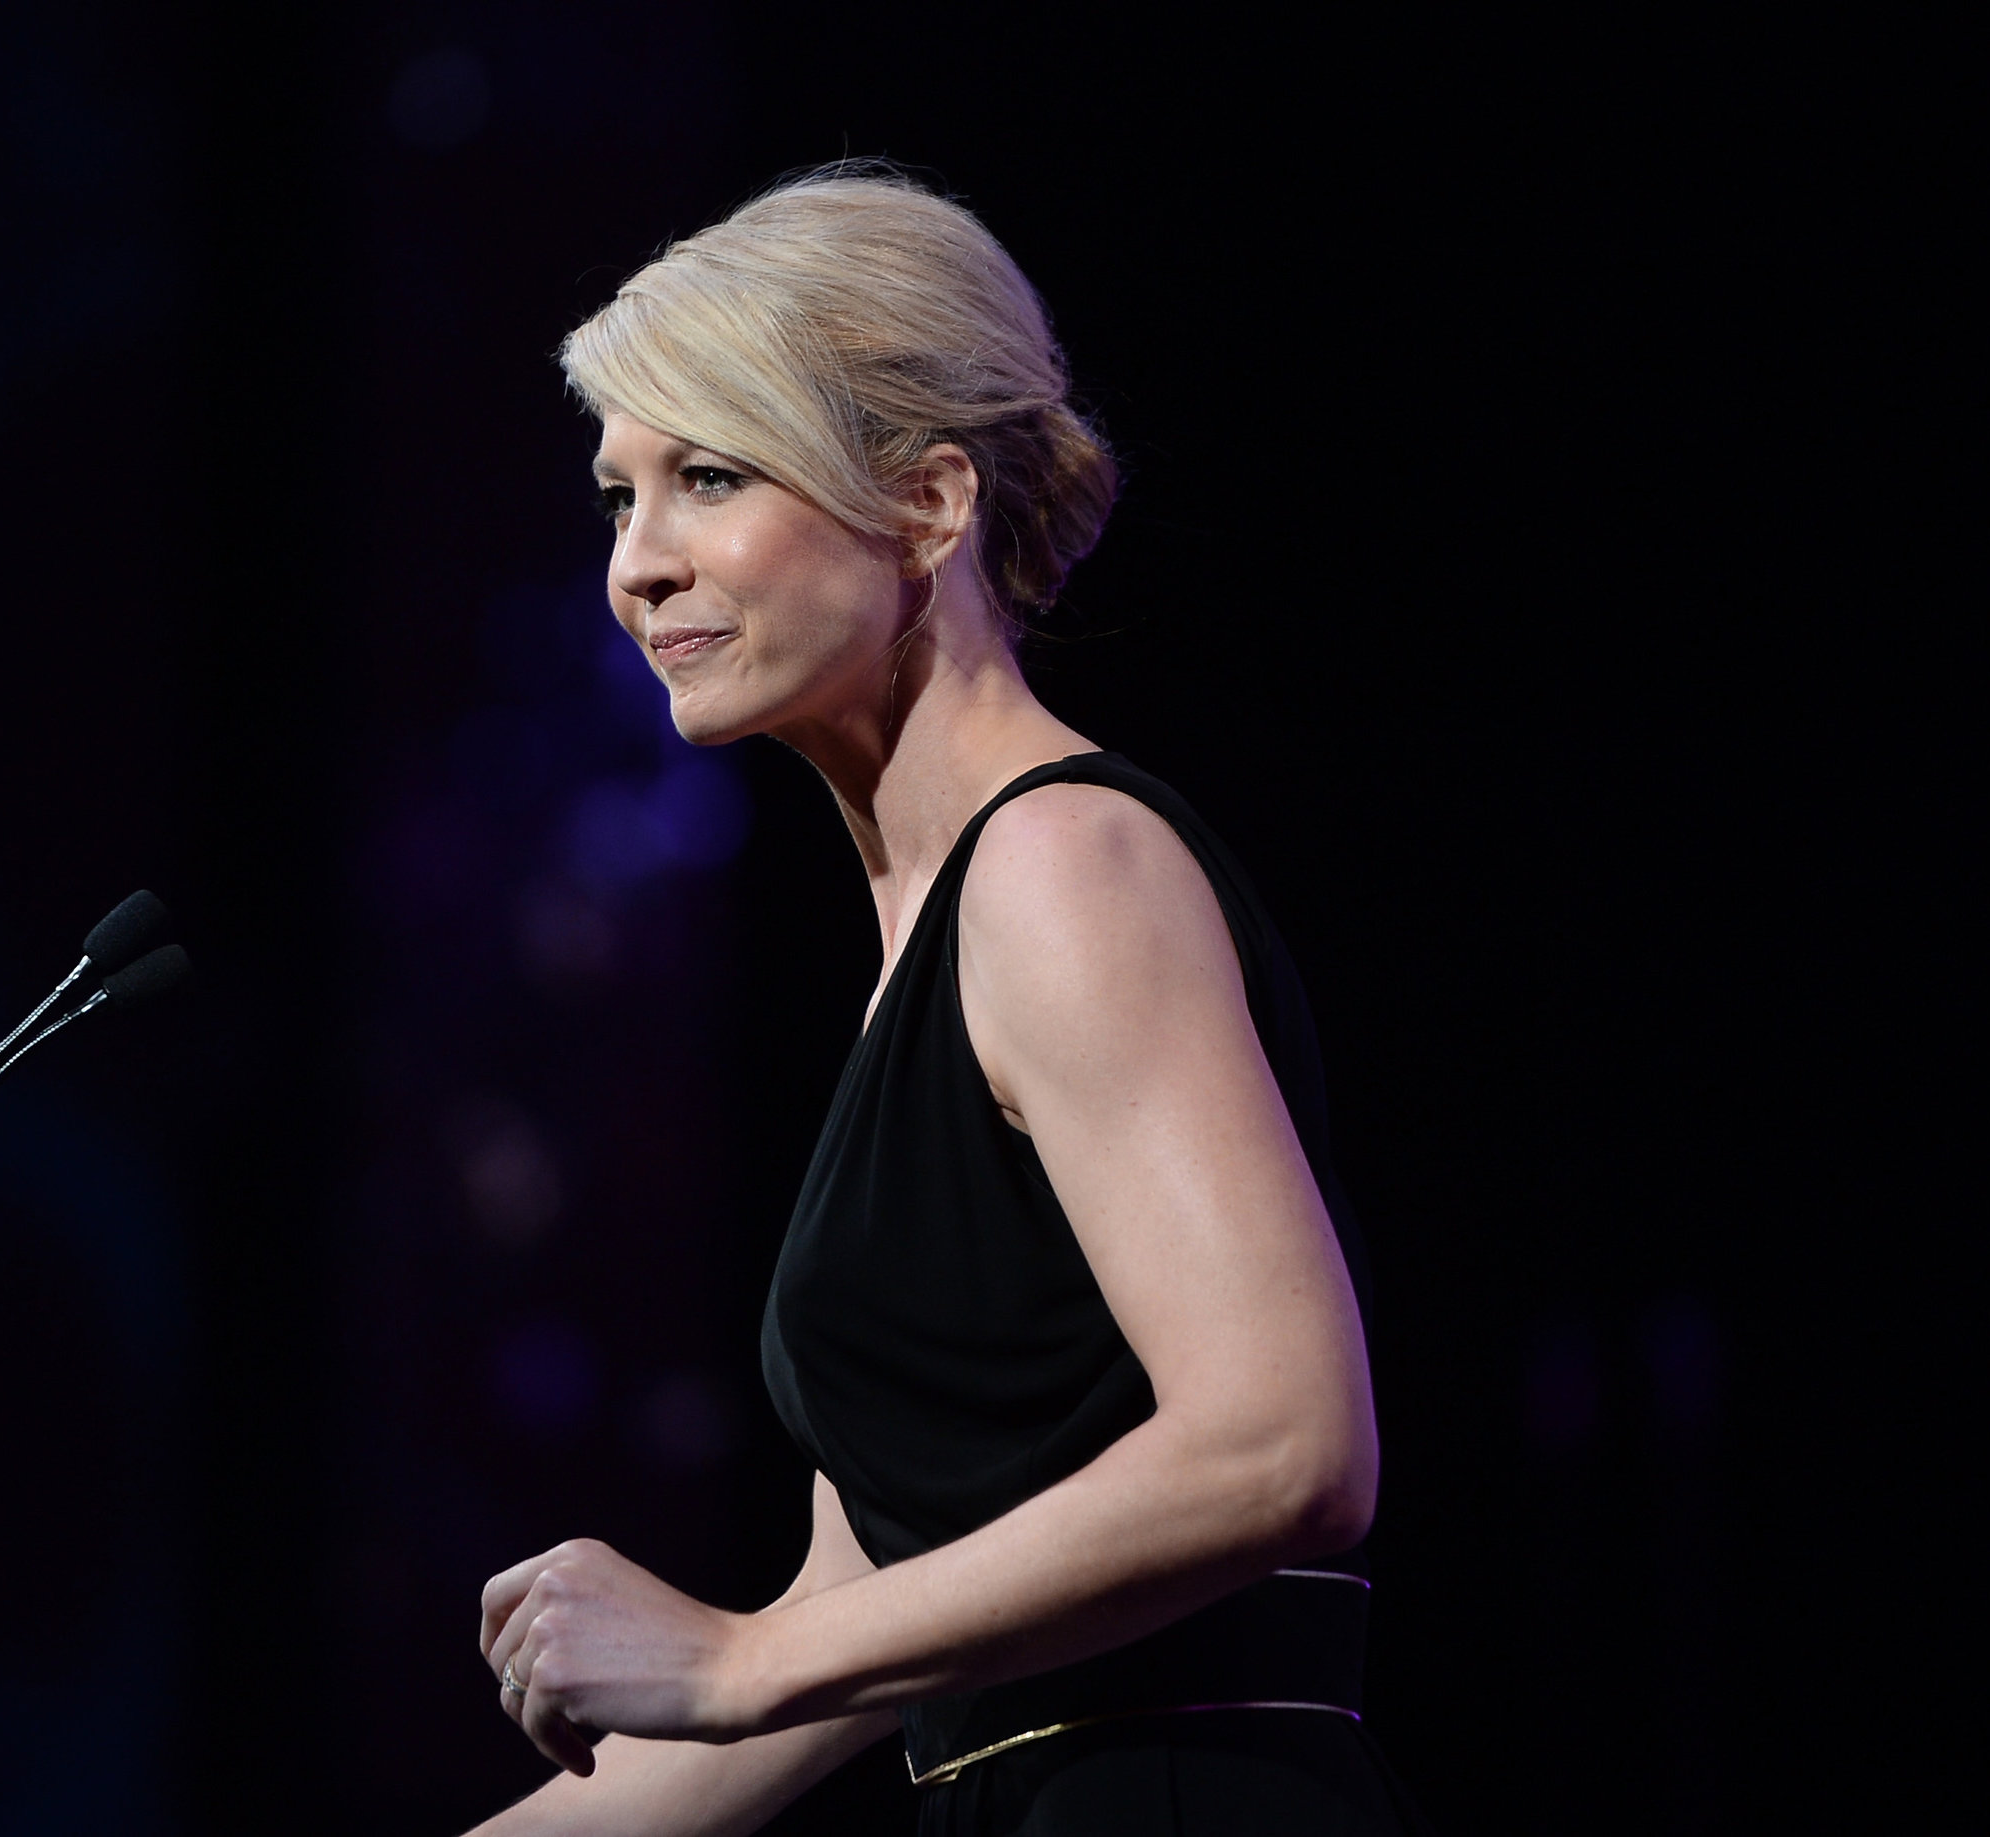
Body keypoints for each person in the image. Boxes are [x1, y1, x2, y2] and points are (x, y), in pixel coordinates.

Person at [466, 166, 1422, 1837]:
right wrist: (752, 1665)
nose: (637, 565)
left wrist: (743, 1662)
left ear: (926, 504)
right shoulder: (930, 943)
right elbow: (869, 1612)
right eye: (616, 497)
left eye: (705, 476)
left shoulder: (1061, 868)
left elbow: (1287, 1441)